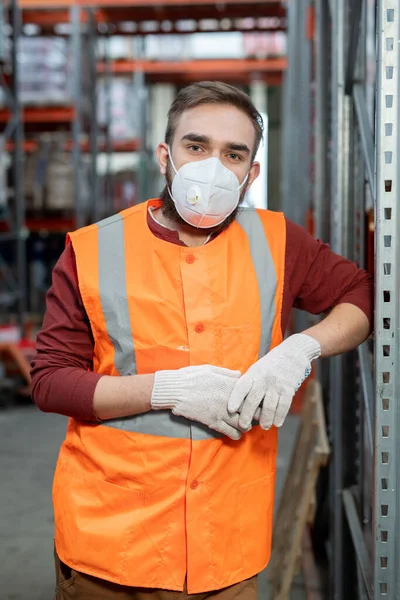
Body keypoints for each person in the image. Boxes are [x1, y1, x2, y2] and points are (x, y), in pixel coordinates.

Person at [31, 81, 373, 600]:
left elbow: (361, 295)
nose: (213, 166)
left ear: (251, 172)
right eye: (197, 146)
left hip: (225, 549)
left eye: (233, 153)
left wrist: (301, 349)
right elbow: (51, 383)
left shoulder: (279, 241)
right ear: (165, 155)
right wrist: (164, 390)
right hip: (110, 549)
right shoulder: (94, 249)